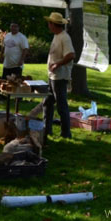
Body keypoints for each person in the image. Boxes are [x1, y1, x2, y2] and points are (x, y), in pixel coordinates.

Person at [39, 12, 76, 140]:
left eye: (49, 23)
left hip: (60, 77)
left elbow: (71, 55)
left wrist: (58, 65)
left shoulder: (64, 37)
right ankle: (46, 129)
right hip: (53, 77)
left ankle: (66, 133)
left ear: (54, 25)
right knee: (47, 103)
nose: (48, 26)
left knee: (61, 106)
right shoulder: (57, 35)